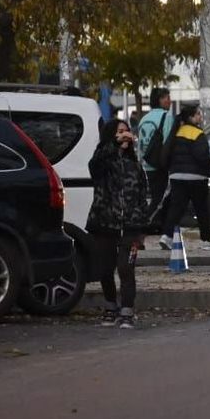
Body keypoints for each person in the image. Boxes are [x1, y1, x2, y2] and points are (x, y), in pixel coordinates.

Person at [87, 118, 149, 329]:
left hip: (130, 226)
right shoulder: (103, 162)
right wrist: (113, 145)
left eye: (126, 131)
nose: (124, 135)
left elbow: (143, 196)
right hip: (104, 223)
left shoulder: (135, 166)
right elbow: (94, 166)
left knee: (126, 268)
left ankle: (127, 311)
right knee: (105, 269)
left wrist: (141, 225)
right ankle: (111, 306)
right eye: (119, 132)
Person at [163, 105, 210, 250]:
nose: (200, 117)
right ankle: (206, 240)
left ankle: (167, 236)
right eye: (198, 114)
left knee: (176, 208)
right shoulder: (197, 133)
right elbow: (202, 156)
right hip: (196, 177)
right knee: (201, 209)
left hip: (176, 176)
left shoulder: (176, 132)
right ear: (191, 117)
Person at [136, 87, 176, 248]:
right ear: (159, 100)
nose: (169, 100)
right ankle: (141, 235)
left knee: (152, 201)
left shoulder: (143, 119)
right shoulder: (166, 117)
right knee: (159, 202)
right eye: (166, 97)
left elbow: (140, 145)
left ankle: (162, 235)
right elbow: (168, 142)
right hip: (160, 166)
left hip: (146, 165)